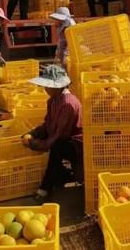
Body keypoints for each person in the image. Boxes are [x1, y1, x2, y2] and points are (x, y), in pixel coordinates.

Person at [21, 65, 83, 201]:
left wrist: (36, 144)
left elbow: (59, 135)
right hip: (62, 138)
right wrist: (33, 133)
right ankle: (63, 174)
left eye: (48, 86)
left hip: (76, 145)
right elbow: (48, 125)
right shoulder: (53, 100)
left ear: (57, 86)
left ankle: (45, 188)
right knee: (55, 147)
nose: (45, 89)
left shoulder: (67, 104)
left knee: (56, 148)